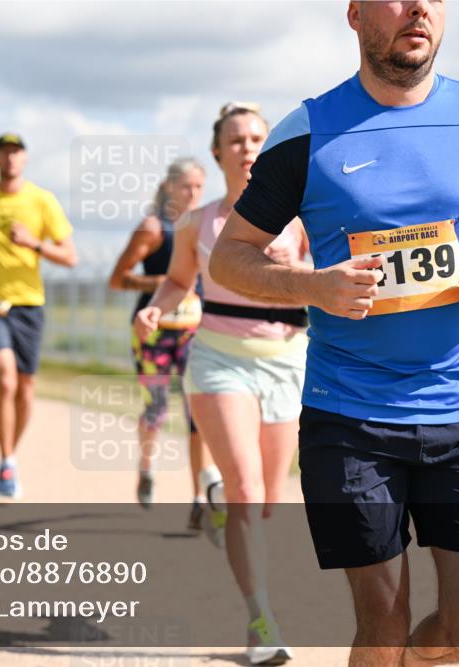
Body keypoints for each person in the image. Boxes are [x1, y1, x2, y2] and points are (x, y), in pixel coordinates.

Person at [209, 2, 459, 665]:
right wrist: (312, 285)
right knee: (382, 622)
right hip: (350, 418)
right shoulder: (308, 131)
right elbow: (230, 256)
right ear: (357, 15)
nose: (419, 7)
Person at [135, 103, 309, 665]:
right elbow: (178, 282)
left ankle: (215, 498)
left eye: (257, 137)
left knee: (268, 503)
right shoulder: (197, 222)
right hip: (219, 359)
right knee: (246, 489)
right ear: (218, 152)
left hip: (287, 359)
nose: (247, 146)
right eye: (235, 139)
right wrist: (157, 311)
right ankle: (260, 621)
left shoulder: (300, 219)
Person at [0, 133, 77, 497]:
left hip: (27, 303)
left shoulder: (42, 200)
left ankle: (12, 448)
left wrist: (34, 243)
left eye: (16, 152)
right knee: (5, 379)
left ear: (24, 159)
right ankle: (7, 460)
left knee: (26, 387)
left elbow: (70, 257)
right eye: (4, 153)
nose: (11, 159)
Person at [109, 157, 214, 526]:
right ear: (169, 187)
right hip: (151, 331)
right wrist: (170, 284)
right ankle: (146, 466)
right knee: (156, 409)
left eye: (199, 187)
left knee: (198, 414)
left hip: (193, 331)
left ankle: (200, 498)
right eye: (186, 186)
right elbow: (117, 279)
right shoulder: (153, 228)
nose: (193, 193)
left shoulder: (205, 226)